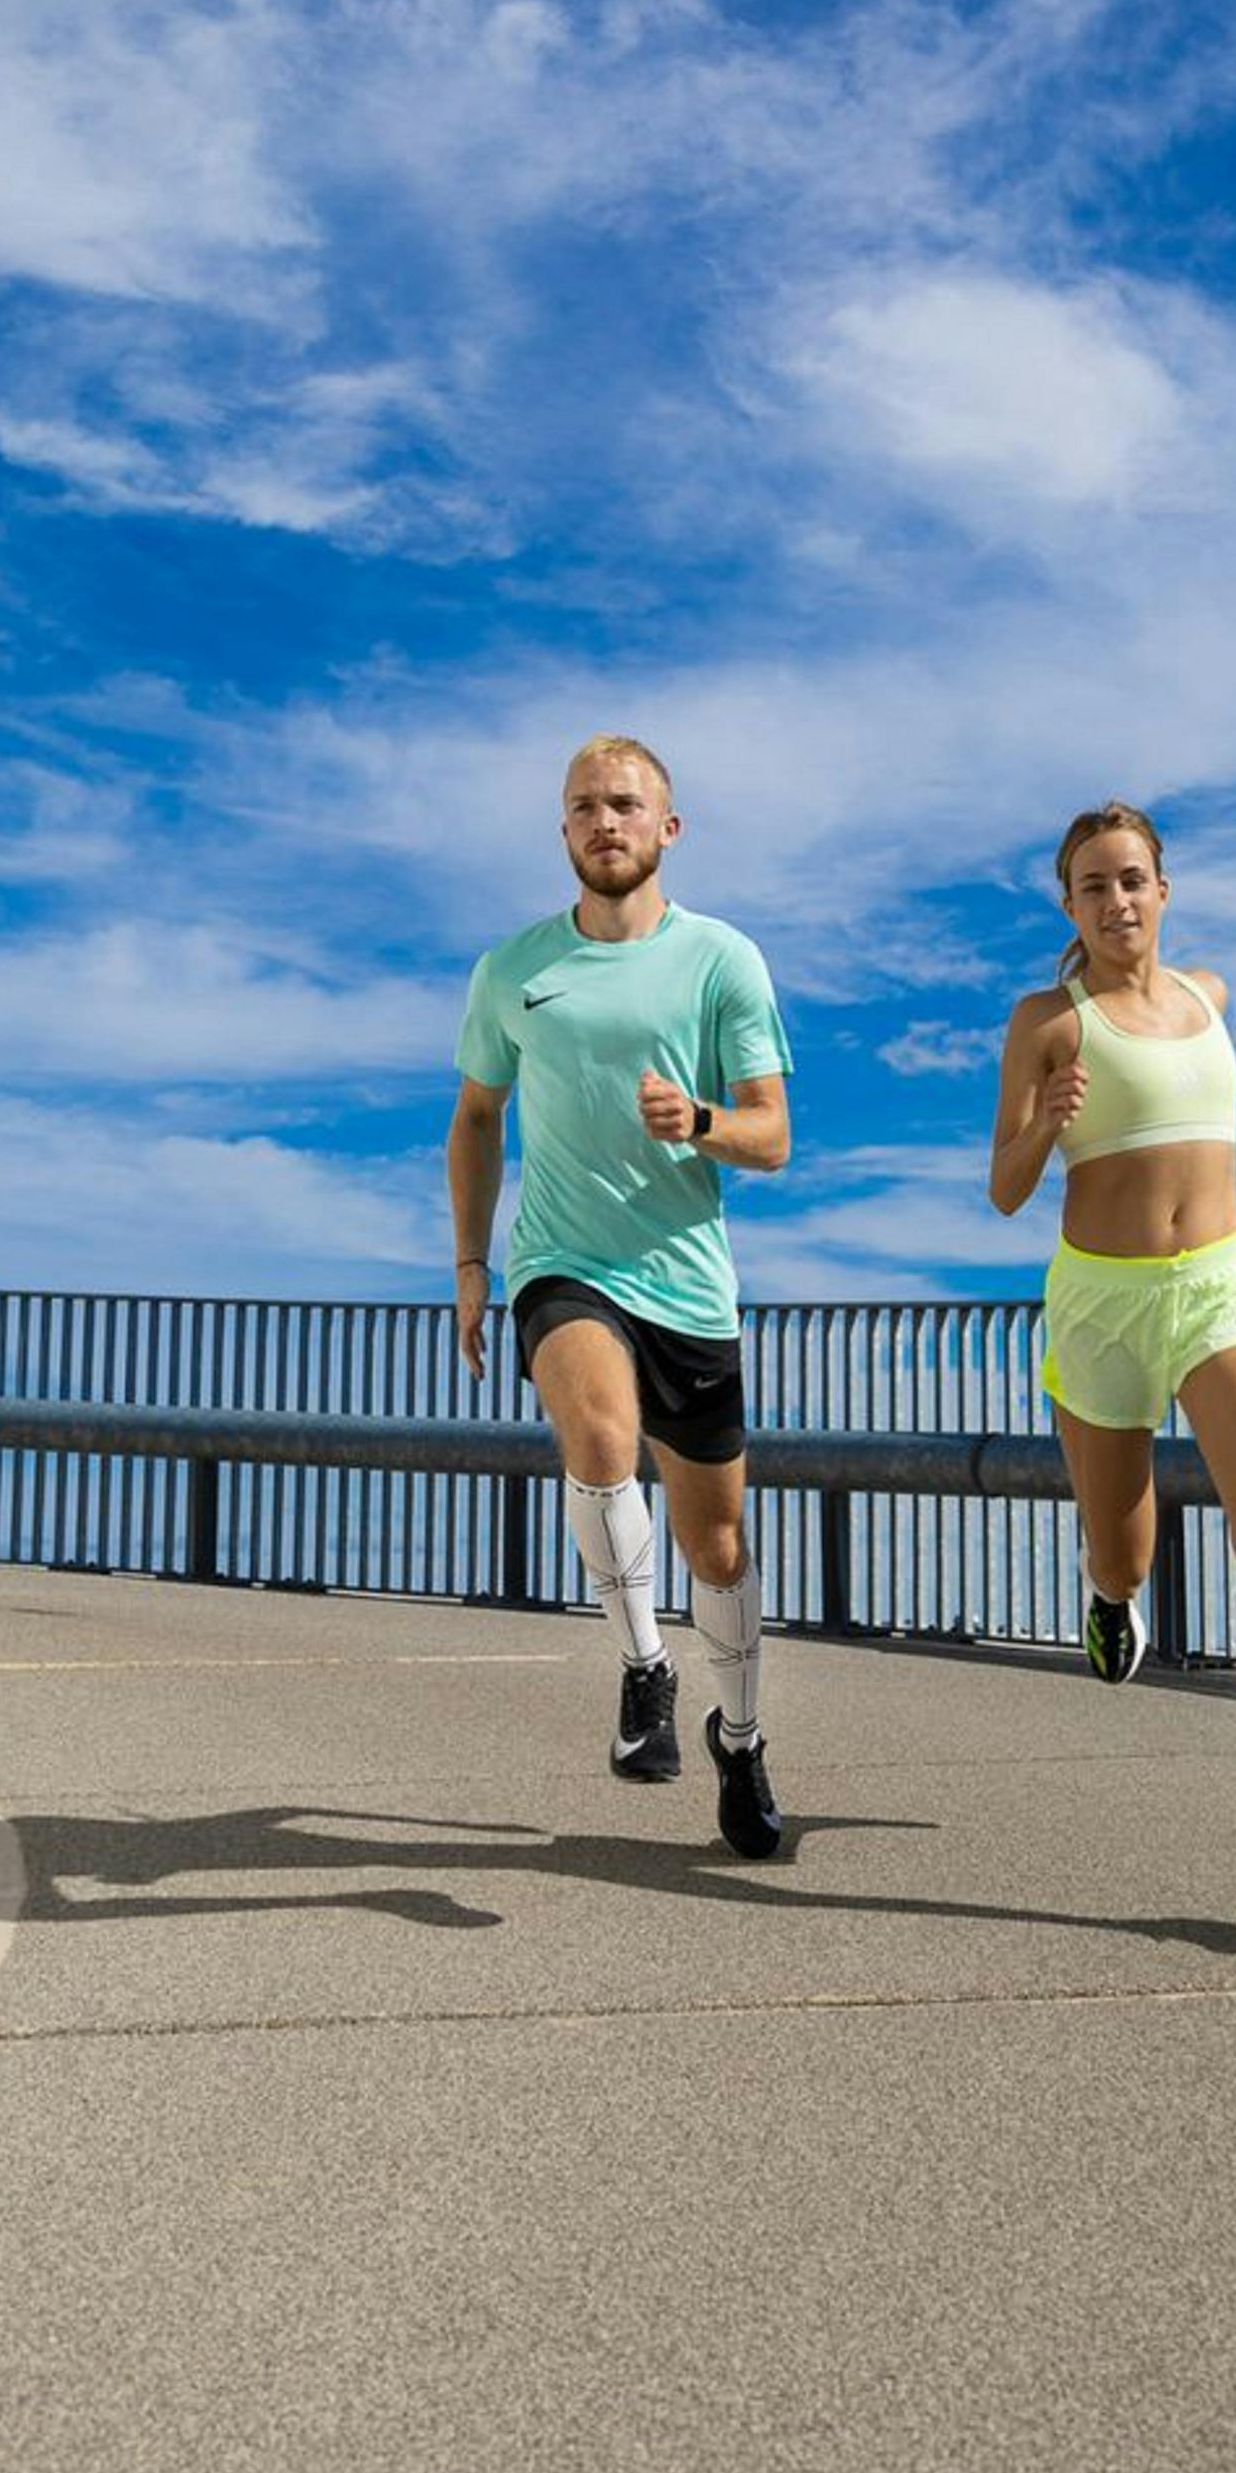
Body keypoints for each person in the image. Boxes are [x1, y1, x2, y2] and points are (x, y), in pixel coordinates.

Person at [989, 801, 1236, 1899]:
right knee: (1127, 1552)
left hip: (1216, 1288)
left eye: (1133, 880)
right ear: (1070, 904)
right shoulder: (1048, 1020)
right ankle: (1109, 1598)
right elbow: (1006, 1190)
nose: (1117, 901)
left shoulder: (1211, 998)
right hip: (1101, 1302)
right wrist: (1048, 1120)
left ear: (1164, 889)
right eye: (1094, 886)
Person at [447, 735, 793, 1860]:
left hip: (688, 1287)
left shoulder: (721, 961)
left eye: (628, 805)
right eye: (586, 806)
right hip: (563, 1262)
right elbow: (477, 1119)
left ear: (667, 829)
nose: (607, 822)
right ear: (562, 830)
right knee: (597, 1433)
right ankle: (644, 1663)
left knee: (721, 1549)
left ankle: (738, 1738)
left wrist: (696, 1122)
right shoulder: (513, 971)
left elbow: (773, 1136)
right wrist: (471, 1268)